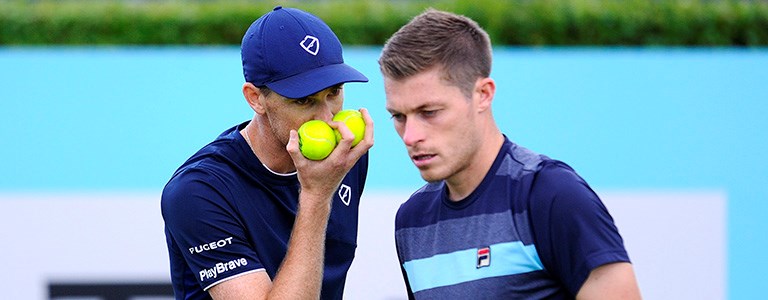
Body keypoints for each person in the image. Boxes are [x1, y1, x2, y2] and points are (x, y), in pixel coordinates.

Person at [379, 9, 641, 299]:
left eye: (429, 112)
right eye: (398, 116)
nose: (410, 136)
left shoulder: (551, 195)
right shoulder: (412, 220)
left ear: (483, 95)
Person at [161, 6, 373, 300]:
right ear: (256, 98)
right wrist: (315, 197)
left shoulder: (346, 156)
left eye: (334, 93)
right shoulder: (197, 191)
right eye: (304, 101)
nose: (327, 119)